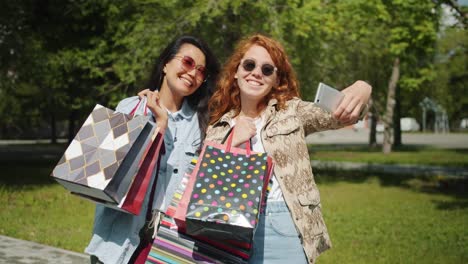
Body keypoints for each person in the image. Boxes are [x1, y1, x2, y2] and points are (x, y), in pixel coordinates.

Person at [205, 34, 372, 264]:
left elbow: (340, 115)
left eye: (267, 69)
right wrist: (233, 141)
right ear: (236, 71)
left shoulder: (292, 112)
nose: (256, 73)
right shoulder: (217, 126)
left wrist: (363, 88)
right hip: (225, 228)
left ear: (276, 80)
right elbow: (204, 181)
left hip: (281, 223)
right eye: (250, 65)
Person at [85, 35, 220, 264]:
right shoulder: (129, 108)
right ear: (166, 63)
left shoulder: (202, 126)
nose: (193, 73)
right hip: (116, 243)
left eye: (201, 71)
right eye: (187, 62)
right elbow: (102, 177)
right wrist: (157, 125)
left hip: (169, 247)